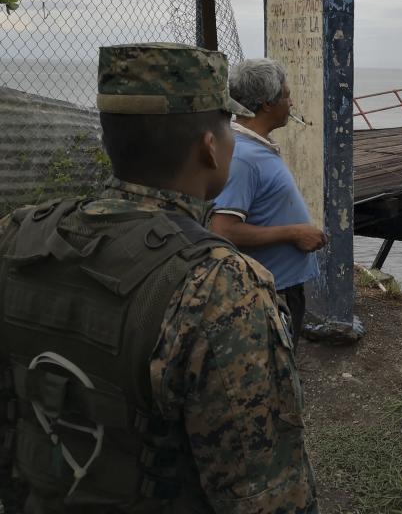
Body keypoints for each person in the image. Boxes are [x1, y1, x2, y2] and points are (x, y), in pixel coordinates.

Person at [0, 43, 319, 513]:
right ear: (210, 148)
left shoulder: (17, 237)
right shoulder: (220, 286)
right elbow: (266, 495)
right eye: (226, 129)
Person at [208, 59, 327, 351]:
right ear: (267, 104)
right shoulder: (243, 158)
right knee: (275, 375)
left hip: (281, 287)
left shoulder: (253, 147)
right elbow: (223, 231)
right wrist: (294, 233)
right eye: (286, 95)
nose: (291, 101)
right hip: (268, 293)